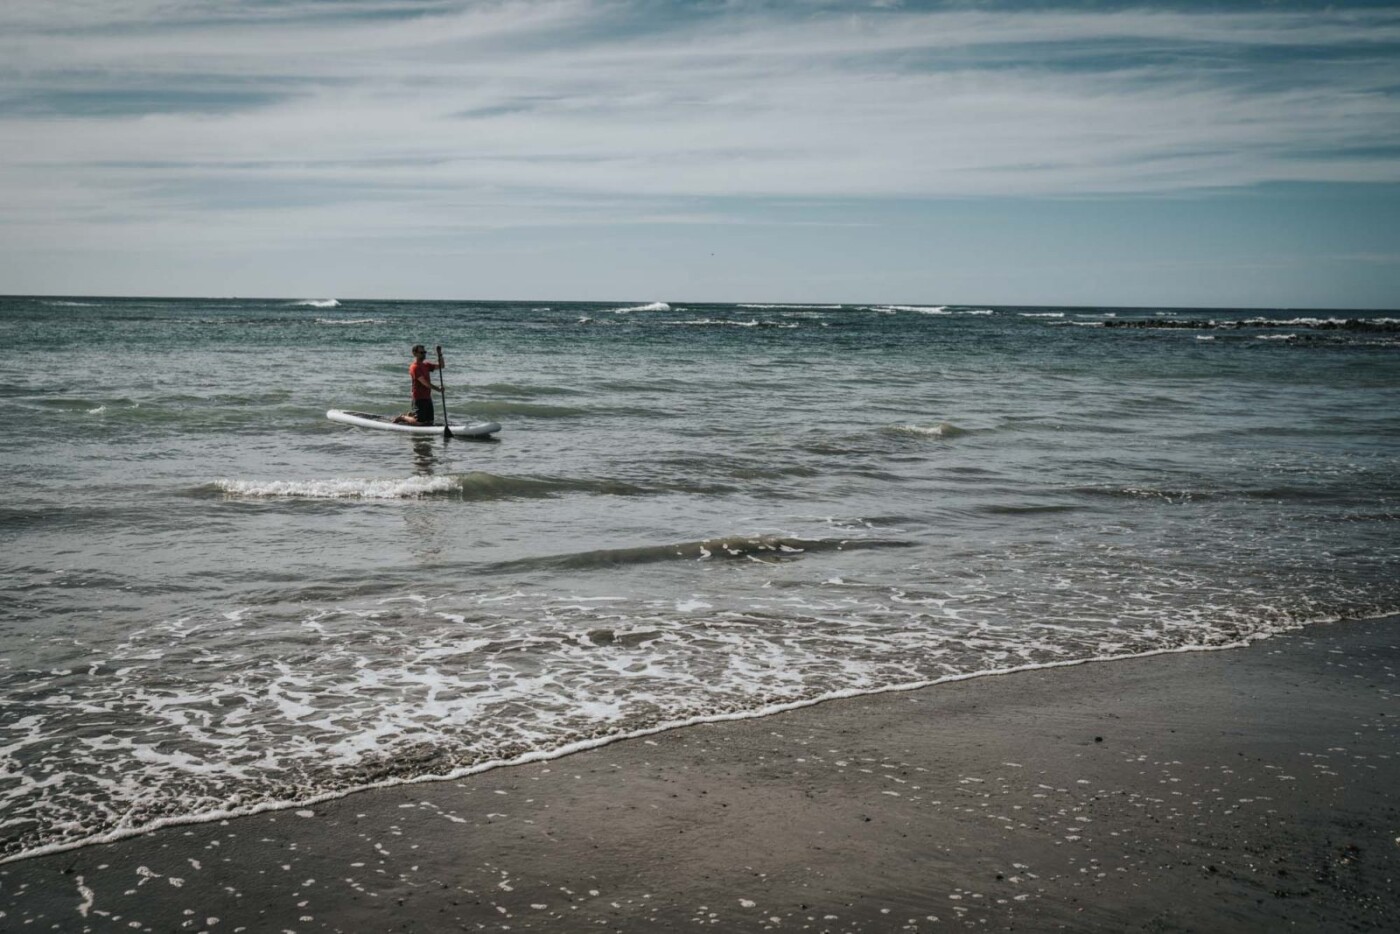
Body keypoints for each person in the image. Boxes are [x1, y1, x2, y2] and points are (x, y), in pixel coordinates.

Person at [393, 344, 444, 425]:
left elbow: (441, 366)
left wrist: (440, 354)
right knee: (419, 423)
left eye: (424, 352)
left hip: (427, 397)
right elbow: (425, 383)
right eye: (421, 352)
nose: (424, 354)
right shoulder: (414, 367)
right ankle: (403, 417)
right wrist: (438, 389)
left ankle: (411, 415)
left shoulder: (426, 365)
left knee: (430, 422)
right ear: (414, 353)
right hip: (419, 398)